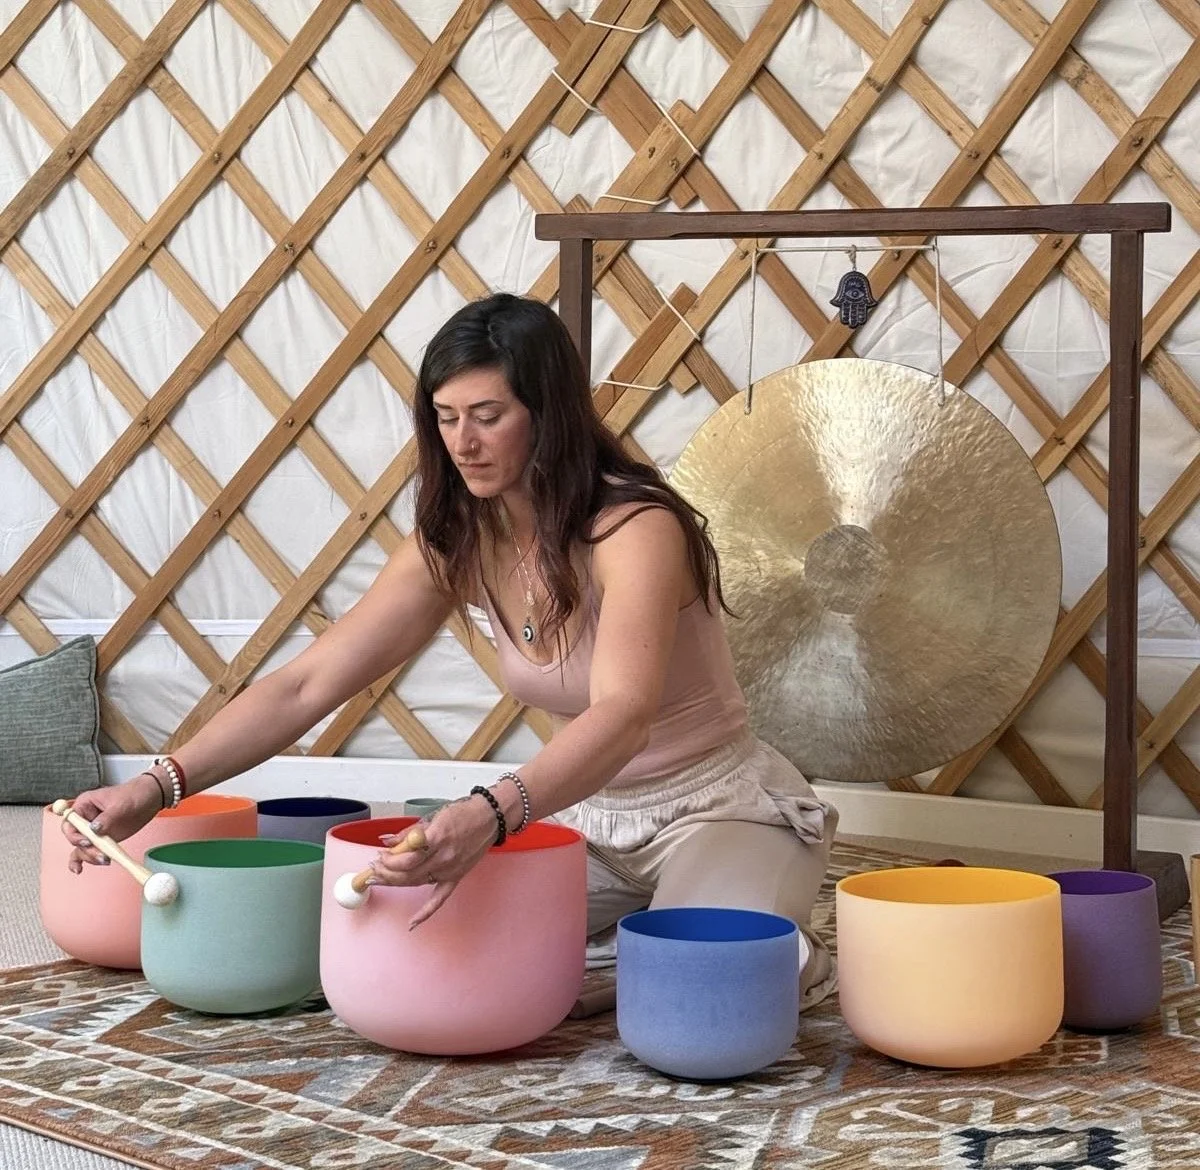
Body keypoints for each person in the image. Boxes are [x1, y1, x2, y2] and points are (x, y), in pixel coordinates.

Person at [63, 293, 839, 1008]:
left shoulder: (633, 528)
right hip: (582, 819)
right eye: (444, 417)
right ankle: (614, 948)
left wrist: (488, 813)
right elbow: (307, 686)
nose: (463, 443)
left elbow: (627, 714)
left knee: (689, 986)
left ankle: (779, 954)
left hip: (715, 807)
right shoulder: (458, 541)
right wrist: (158, 785)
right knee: (419, 941)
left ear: (548, 414)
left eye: (488, 415)